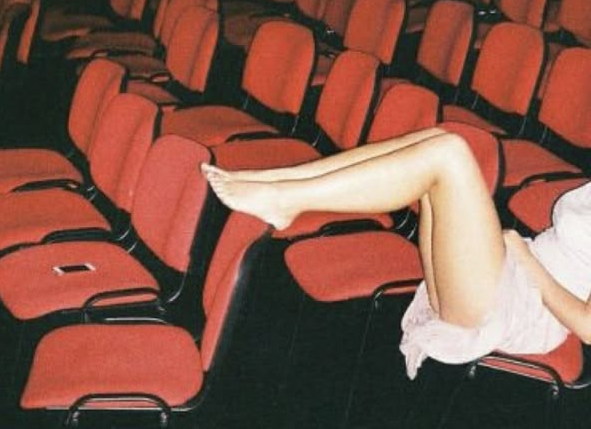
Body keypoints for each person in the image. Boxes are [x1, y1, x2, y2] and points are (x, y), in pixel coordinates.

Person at [201, 128, 591, 378]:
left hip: (524, 309)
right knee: (437, 139)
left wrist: (525, 260)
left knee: (448, 153)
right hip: (510, 274)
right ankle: (282, 179)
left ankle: (286, 199)